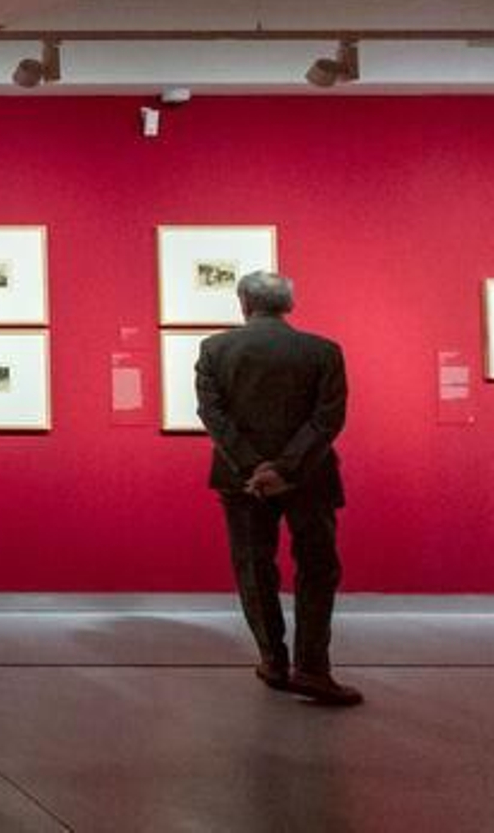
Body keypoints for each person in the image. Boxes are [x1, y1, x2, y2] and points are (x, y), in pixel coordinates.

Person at [195, 271, 361, 707]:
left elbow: (212, 416)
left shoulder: (215, 349)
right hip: (310, 476)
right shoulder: (323, 351)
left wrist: (254, 467)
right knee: (318, 568)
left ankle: (272, 661)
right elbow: (329, 418)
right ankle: (312, 668)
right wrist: (286, 468)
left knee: (254, 568)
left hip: (241, 478)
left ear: (244, 303)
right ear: (289, 304)